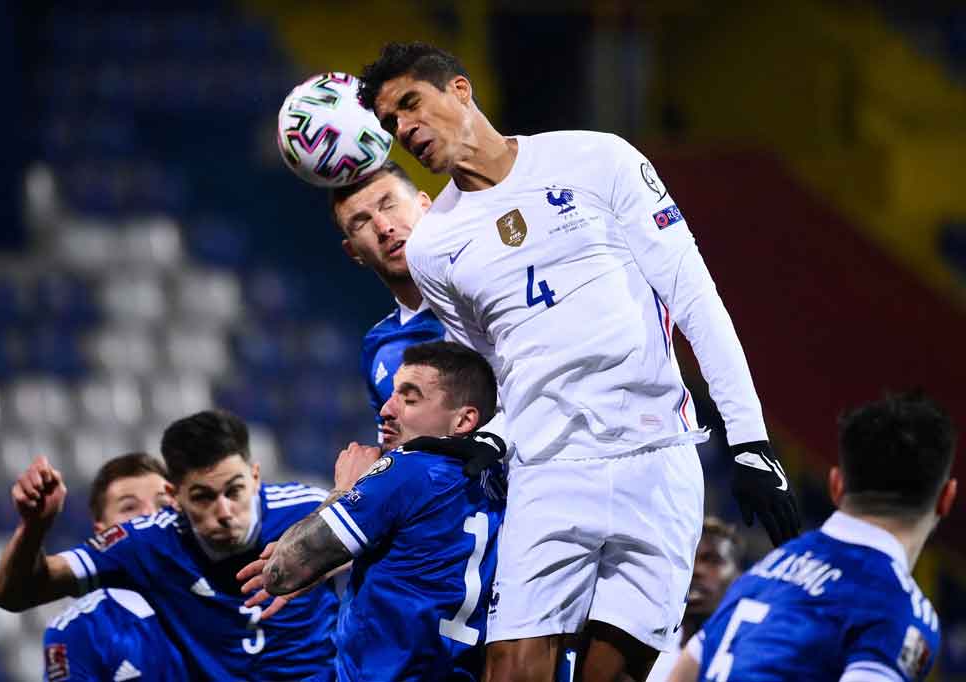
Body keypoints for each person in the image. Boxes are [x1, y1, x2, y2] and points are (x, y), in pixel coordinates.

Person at [357, 42, 800, 682]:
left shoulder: (598, 158)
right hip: (549, 472)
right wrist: (493, 438)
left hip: (658, 461)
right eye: (391, 125)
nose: (406, 130)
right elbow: (497, 370)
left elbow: (694, 296)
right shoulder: (433, 248)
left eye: (410, 105)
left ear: (459, 89)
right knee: (511, 670)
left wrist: (749, 438)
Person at [0, 409, 339, 680]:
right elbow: (16, 594)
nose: (224, 512)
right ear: (173, 496)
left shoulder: (311, 511)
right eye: (203, 497)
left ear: (255, 476)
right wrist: (34, 527)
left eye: (234, 490)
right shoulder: (149, 542)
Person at [238, 341, 506, 681]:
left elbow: (282, 572)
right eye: (391, 395)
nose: (386, 410)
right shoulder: (494, 482)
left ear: (464, 419)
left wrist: (344, 490)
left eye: (409, 399)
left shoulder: (407, 469)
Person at [672, 392, 955, 682]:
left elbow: (680, 676)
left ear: (836, 485)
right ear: (946, 498)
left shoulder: (766, 573)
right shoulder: (899, 611)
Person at [42, 452, 187, 682]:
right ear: (102, 531)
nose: (149, 516)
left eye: (162, 504)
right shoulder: (78, 631)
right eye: (129, 507)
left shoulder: (227, 596)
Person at [330, 160, 445, 444]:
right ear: (353, 251)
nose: (383, 227)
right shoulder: (379, 345)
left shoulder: (487, 292)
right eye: (361, 222)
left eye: (389, 204)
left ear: (424, 204)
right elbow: (397, 453)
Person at [645, 518, 743, 682]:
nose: (696, 570)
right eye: (689, 560)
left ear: (739, 577)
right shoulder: (644, 649)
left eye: (712, 560)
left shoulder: (752, 654)